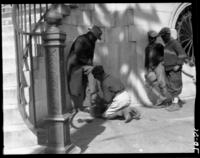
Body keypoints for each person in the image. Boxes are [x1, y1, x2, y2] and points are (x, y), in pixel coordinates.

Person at [66, 25, 102, 112]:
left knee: (92, 76)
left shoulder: (91, 42)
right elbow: (77, 54)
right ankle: (90, 98)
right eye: (96, 37)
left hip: (84, 65)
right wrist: (88, 63)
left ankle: (89, 102)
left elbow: (90, 57)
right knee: (76, 86)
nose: (96, 39)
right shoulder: (81, 39)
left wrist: (90, 64)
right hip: (75, 66)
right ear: (92, 35)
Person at [159, 27, 187, 111]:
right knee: (170, 86)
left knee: (175, 86)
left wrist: (178, 65)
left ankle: (176, 104)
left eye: (163, 36)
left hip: (174, 69)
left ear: (168, 35)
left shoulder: (174, 43)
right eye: (162, 36)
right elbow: (170, 55)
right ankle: (177, 101)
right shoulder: (167, 44)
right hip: (168, 68)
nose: (162, 38)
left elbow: (182, 54)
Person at [144, 31, 172, 108]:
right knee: (148, 84)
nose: (154, 39)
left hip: (159, 66)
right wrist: (147, 69)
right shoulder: (147, 48)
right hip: (151, 68)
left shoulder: (159, 46)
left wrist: (163, 61)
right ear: (149, 38)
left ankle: (166, 102)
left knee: (162, 83)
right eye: (152, 37)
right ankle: (162, 98)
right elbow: (147, 59)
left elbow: (166, 54)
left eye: (155, 37)